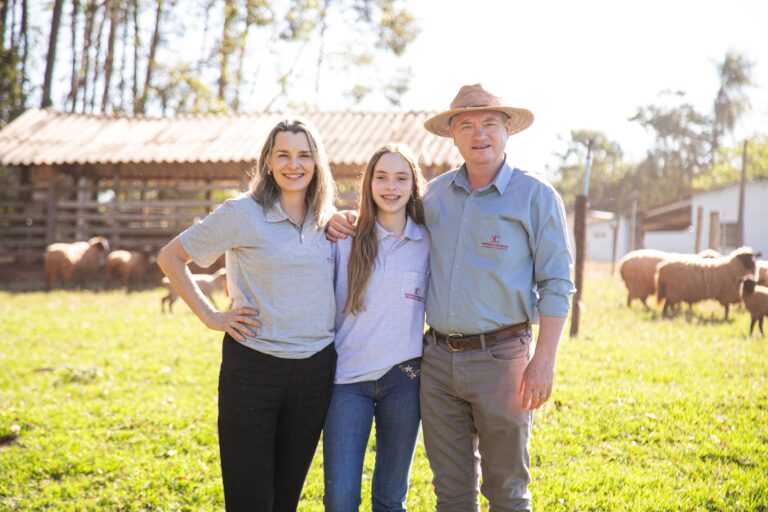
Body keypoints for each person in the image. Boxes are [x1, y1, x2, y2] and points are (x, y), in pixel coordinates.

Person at [327, 84, 576, 511]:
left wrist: (545, 361)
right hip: (437, 363)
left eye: (489, 124)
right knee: (452, 492)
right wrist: (343, 218)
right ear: (453, 136)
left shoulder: (536, 197)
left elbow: (557, 284)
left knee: (507, 491)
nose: (479, 134)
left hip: (503, 358)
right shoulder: (434, 196)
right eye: (467, 125)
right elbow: (388, 217)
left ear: (507, 131)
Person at [157, 117, 338, 512]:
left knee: (286, 498)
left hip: (315, 371)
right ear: (268, 162)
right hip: (254, 369)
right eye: (284, 155)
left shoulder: (328, 220)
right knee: (250, 499)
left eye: (304, 155)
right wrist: (210, 315)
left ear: (317, 162)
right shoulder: (242, 212)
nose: (295, 164)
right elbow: (171, 257)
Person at [323, 143, 429, 512]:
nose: (391, 187)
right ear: (368, 183)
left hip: (405, 378)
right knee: (340, 499)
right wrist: (329, 220)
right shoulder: (344, 237)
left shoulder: (428, 242)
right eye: (381, 177)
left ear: (413, 186)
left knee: (390, 497)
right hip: (347, 380)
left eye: (401, 178)